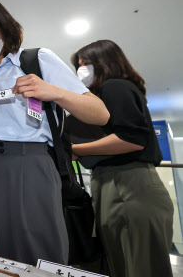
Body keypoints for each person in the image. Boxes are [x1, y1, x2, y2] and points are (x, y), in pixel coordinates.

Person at [0, 0, 110, 265]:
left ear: (1, 25)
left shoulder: (36, 60)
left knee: (36, 253)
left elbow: (100, 114)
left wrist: (53, 91)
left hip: (30, 163)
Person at [70, 40, 173, 277]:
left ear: (104, 62)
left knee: (141, 268)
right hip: (115, 184)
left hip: (128, 183)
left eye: (86, 63)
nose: (81, 69)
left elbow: (132, 139)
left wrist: (77, 150)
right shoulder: (110, 93)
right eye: (79, 64)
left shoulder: (115, 86)